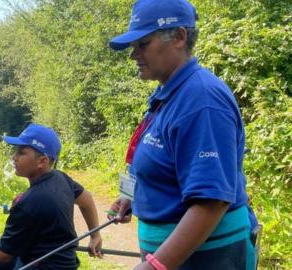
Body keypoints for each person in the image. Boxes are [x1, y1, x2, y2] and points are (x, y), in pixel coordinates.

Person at [107, 0, 259, 269]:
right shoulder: (169, 95)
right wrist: (135, 195)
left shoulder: (202, 99)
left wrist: (156, 265)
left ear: (179, 36)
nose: (134, 55)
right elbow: (170, 165)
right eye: (133, 47)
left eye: (143, 44)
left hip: (210, 255)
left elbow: (211, 200)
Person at [0, 123, 103, 270]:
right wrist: (95, 235)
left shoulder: (30, 202)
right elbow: (86, 199)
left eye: (21, 153)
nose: (13, 157)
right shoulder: (60, 177)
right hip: (58, 260)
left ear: (42, 161)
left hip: (41, 265)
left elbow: (3, 255)